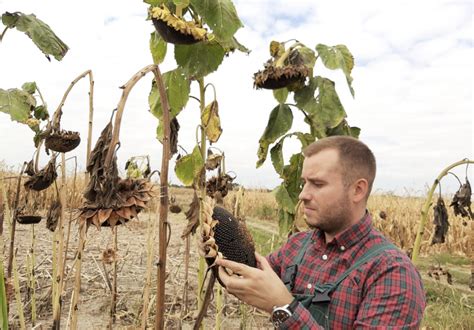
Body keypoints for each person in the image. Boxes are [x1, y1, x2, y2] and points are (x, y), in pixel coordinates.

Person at [216, 136, 426, 329]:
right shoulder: (298, 246)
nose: (303, 194)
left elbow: (276, 300)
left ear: (357, 190)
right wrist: (216, 247)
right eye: (304, 182)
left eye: (317, 184)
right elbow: (250, 277)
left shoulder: (391, 273)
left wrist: (283, 307)